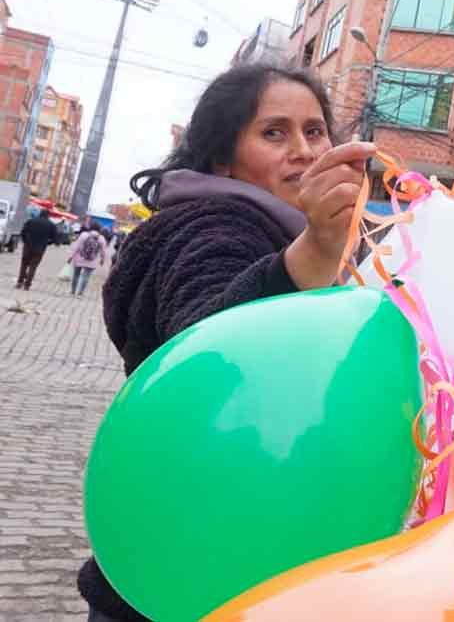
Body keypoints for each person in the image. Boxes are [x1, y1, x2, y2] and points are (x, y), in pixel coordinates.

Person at [78, 63, 374, 622]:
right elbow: (209, 346)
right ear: (222, 157)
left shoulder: (294, 233)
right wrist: (314, 251)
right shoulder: (208, 223)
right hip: (178, 566)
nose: (304, 150)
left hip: (256, 560)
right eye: (274, 132)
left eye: (315, 131)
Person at [16, 208, 57, 290]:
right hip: (40, 249)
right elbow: (54, 238)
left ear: (40, 213)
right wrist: (47, 243)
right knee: (33, 266)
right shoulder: (51, 225)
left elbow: (23, 232)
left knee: (24, 265)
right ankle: (27, 285)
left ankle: (19, 283)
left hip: (28, 247)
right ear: (48, 215)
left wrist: (25, 241)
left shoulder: (31, 221)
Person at [67, 223, 108, 297]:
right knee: (86, 277)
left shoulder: (84, 235)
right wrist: (102, 260)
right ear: (99, 229)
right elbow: (103, 251)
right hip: (92, 261)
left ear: (90, 227)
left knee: (76, 275)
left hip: (79, 258)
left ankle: (72, 292)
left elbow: (76, 246)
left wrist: (71, 257)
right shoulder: (101, 238)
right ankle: (80, 293)